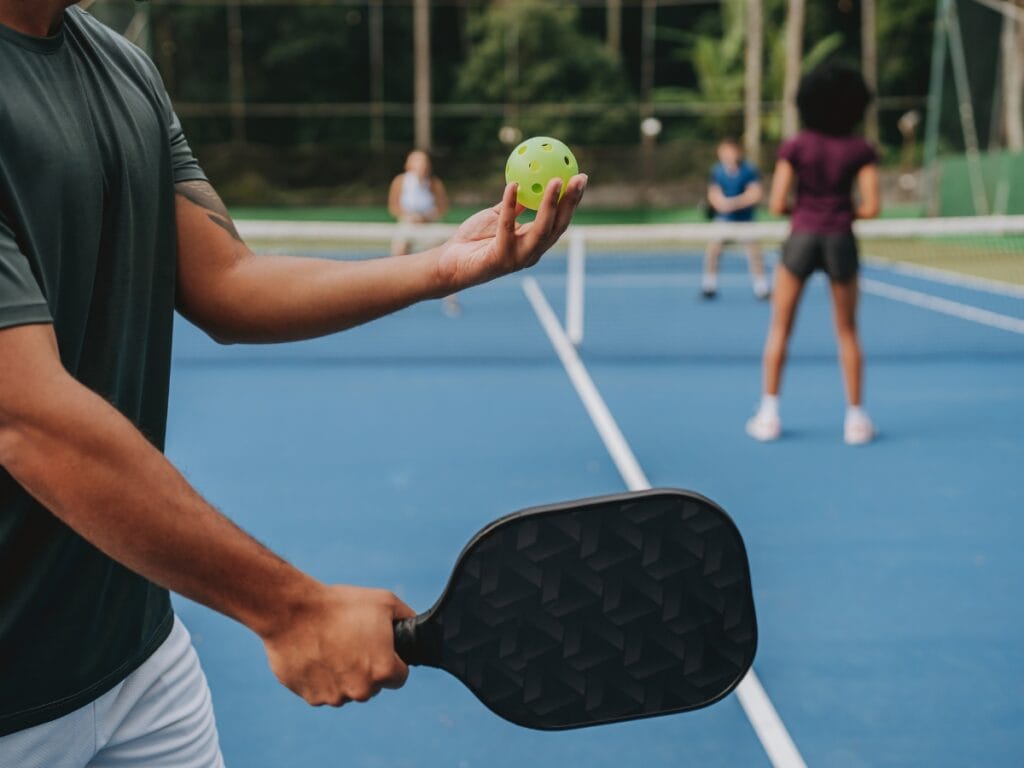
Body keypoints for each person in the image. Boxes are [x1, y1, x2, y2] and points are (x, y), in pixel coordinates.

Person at [0, 3, 587, 765]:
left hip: (136, 655)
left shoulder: (121, 68)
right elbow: (27, 416)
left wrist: (444, 266)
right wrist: (289, 611)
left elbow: (228, 282)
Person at [745, 63, 880, 445]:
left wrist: (805, 212)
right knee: (848, 331)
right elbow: (871, 205)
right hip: (841, 239)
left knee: (780, 329)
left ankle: (768, 415)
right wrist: (840, 212)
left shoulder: (797, 145)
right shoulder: (860, 149)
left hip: (801, 237)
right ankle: (856, 421)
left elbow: (776, 203)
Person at [388, 150, 459, 315]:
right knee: (398, 254)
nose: (421, 166)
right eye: (417, 162)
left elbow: (443, 207)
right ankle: (393, 295)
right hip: (407, 224)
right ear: (408, 165)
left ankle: (451, 299)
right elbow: (393, 207)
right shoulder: (400, 182)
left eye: (424, 162)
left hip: (430, 225)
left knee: (445, 259)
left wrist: (426, 217)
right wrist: (409, 217)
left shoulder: (434, 184)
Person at [701, 138, 770, 300]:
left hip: (745, 220)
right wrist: (721, 204)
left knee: (754, 253)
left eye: (731, 152)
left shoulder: (749, 170)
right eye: (724, 152)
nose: (728, 155)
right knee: (713, 251)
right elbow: (713, 194)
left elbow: (755, 194)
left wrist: (733, 203)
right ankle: (709, 286)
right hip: (723, 220)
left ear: (738, 153)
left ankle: (762, 288)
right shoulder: (717, 171)